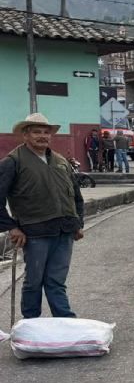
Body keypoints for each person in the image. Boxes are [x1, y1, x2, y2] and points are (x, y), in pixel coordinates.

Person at [0, 113, 84, 319]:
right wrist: (12, 227)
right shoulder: (13, 162)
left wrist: (78, 223)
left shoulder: (61, 161)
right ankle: (31, 324)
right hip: (34, 232)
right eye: (36, 132)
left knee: (56, 281)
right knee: (34, 282)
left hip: (65, 230)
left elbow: (76, 195)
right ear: (25, 135)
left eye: (46, 132)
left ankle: (65, 321)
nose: (42, 136)